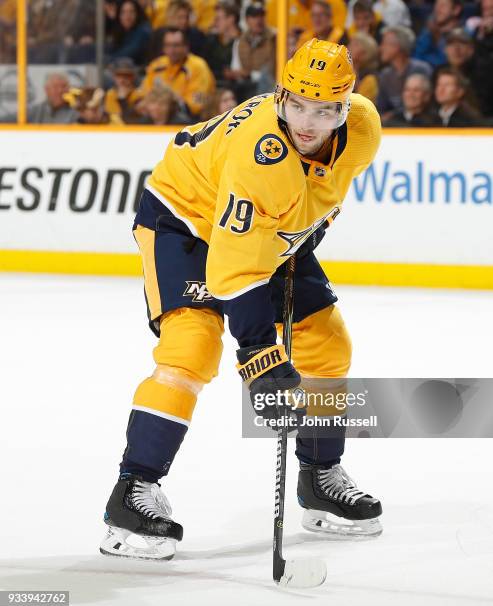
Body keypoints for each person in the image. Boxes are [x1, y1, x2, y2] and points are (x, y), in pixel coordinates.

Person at [100, 39, 383, 561]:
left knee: (326, 343)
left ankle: (320, 476)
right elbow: (234, 265)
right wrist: (258, 354)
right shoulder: (263, 156)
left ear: (345, 108)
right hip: (185, 220)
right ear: (279, 95)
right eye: (296, 104)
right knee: (193, 347)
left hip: (263, 229)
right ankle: (132, 491)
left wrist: (304, 234)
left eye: (323, 110)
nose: (307, 122)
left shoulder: (363, 129)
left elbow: (316, 195)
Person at [141, 27, 215, 118]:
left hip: (189, 119)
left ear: (186, 47)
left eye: (176, 45)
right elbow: (143, 93)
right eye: (168, 45)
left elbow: (198, 103)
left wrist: (172, 101)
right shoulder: (156, 65)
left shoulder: (198, 66)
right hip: (155, 116)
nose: (171, 50)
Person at [377, 25, 432, 118]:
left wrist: (394, 115)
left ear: (397, 46)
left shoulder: (421, 69)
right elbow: (381, 108)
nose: (381, 48)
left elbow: (428, 104)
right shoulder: (385, 75)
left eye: (384, 43)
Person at [227, 2, 276, 99]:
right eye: (254, 16)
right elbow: (236, 68)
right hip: (246, 86)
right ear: (246, 20)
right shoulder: (240, 41)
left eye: (261, 16)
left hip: (270, 85)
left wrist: (249, 74)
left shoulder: (274, 38)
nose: (259, 20)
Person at [413, 0, 464, 67]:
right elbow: (416, 58)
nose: (437, 9)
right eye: (436, 4)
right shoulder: (428, 31)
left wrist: (438, 39)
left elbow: (448, 64)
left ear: (456, 10)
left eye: (443, 5)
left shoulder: (463, 36)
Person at [202, 1, 241, 85]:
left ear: (231, 19)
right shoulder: (211, 41)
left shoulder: (244, 41)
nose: (214, 23)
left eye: (218, 19)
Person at [107, 0, 152, 66]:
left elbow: (130, 52)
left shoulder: (144, 31)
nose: (127, 16)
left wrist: (107, 60)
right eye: (123, 12)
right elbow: (110, 48)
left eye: (131, 12)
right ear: (119, 15)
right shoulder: (120, 31)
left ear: (138, 13)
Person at [105, 58, 144, 124]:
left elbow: (132, 121)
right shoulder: (110, 94)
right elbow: (113, 118)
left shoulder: (139, 95)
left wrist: (122, 99)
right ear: (114, 77)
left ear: (132, 77)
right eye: (119, 76)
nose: (122, 80)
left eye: (126, 76)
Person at [348, 32, 380, 104]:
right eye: (351, 43)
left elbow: (359, 106)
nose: (349, 46)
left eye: (355, 44)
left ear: (366, 53)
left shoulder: (370, 79)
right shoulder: (341, 72)